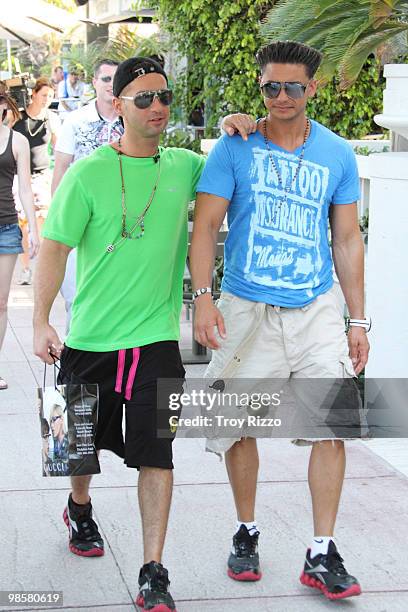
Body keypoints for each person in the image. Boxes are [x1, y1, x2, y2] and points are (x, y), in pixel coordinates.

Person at [190, 41, 370, 600]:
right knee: (237, 424)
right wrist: (202, 297)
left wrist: (358, 319)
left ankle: (322, 549)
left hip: (315, 309)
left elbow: (346, 238)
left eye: (294, 86)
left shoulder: (337, 154)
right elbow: (204, 226)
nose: (282, 96)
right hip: (246, 307)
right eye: (272, 86)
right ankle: (246, 532)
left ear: (312, 89)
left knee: (332, 424)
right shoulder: (234, 146)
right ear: (261, 87)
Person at [33, 56, 205, 612]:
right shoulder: (87, 173)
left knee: (159, 452)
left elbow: (232, 165)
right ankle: (79, 509)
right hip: (88, 339)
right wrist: (40, 321)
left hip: (156, 341)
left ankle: (154, 569)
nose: (157, 107)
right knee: (74, 452)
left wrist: (238, 122)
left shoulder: (183, 165)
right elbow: (55, 249)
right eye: (144, 98)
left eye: (164, 96)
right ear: (118, 105)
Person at [51, 59, 122, 329]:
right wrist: (57, 217)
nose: (110, 85)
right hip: (80, 220)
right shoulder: (75, 121)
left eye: (115, 79)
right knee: (76, 296)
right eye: (105, 79)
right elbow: (60, 170)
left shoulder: (132, 121)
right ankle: (75, 360)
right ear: (93, 82)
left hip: (121, 221)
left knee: (115, 296)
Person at [0, 89, 39, 390]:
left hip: (6, 228)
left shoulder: (18, 141)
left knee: (0, 304)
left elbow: (25, 188)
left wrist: (34, 231)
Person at [13, 77, 60, 285]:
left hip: (42, 176)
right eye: (43, 95)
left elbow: (59, 149)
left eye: (50, 96)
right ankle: (25, 268)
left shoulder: (51, 118)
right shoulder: (17, 118)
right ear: (33, 94)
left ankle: (40, 266)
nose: (46, 100)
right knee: (23, 224)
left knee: (41, 222)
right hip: (19, 176)